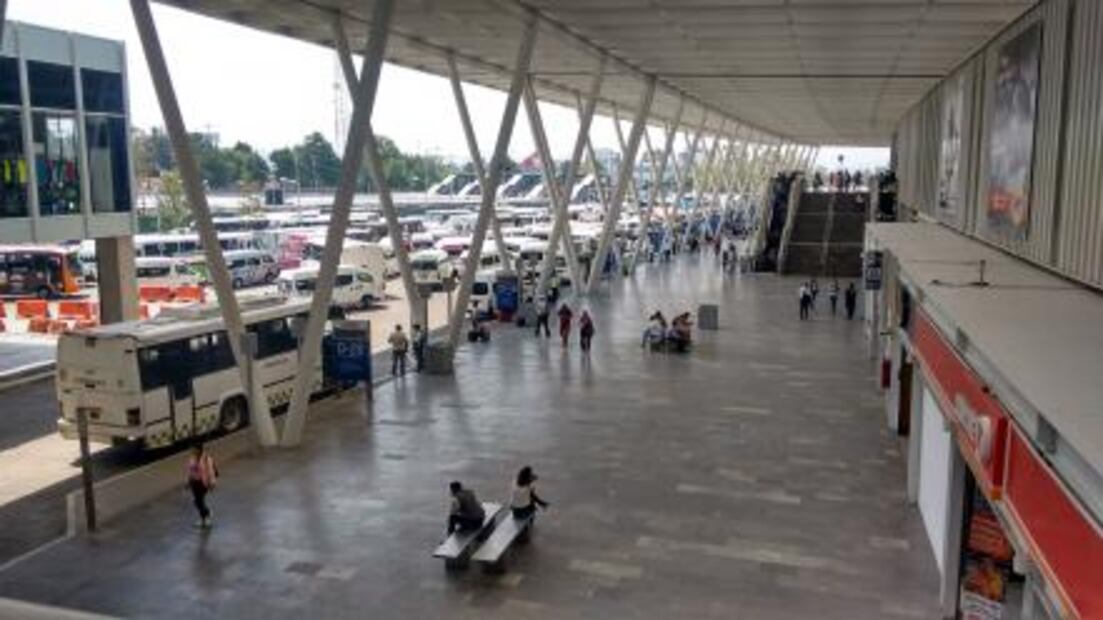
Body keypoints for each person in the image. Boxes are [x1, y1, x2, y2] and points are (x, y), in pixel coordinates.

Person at [186, 443, 218, 529]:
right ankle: (204, 517)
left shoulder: (207, 458)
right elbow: (189, 471)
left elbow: (211, 471)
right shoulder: (192, 458)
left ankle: (206, 516)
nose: (191, 451)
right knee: (198, 501)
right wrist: (188, 482)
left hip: (203, 482)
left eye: (193, 449)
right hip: (194, 482)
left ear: (198, 449)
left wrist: (212, 483)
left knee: (199, 501)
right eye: (191, 449)